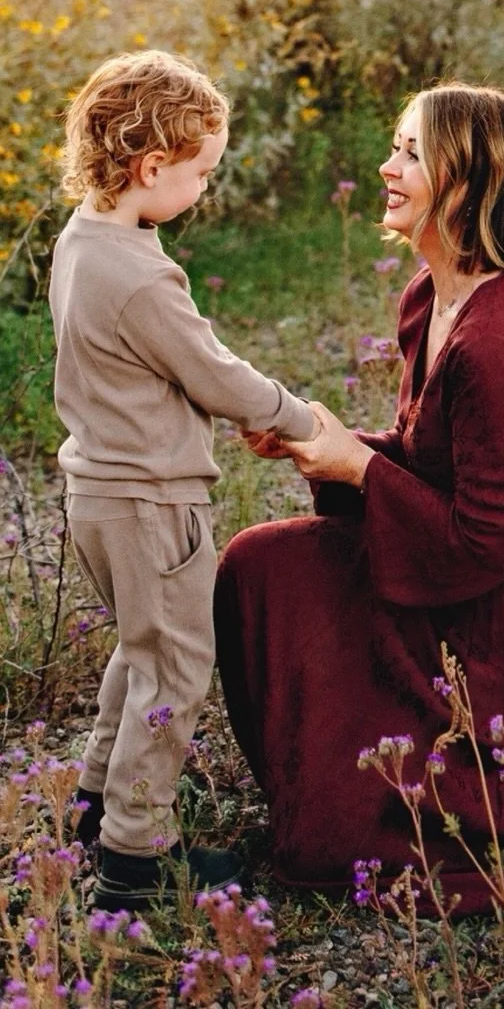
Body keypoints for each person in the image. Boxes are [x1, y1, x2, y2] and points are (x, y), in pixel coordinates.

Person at [215, 84, 504, 918]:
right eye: (395, 146)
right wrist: (329, 443)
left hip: (502, 629)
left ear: (469, 182)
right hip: (445, 571)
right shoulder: (430, 299)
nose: (387, 167)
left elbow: (487, 540)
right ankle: (313, 775)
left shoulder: (502, 340)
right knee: (261, 564)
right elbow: (430, 464)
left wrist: (360, 471)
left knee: (330, 843)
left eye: (412, 153)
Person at [49, 50, 323, 911]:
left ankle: (95, 804)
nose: (205, 187)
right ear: (151, 165)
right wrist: (297, 416)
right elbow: (213, 373)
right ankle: (136, 855)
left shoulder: (87, 240)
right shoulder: (141, 278)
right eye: (200, 171)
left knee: (142, 649)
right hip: (152, 501)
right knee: (176, 668)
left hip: (95, 490)